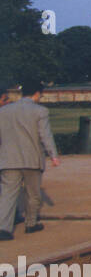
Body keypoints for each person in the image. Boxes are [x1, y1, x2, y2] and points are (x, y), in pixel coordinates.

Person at [0, 80, 61, 241]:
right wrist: (53, 155)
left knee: (7, 194)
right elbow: (45, 135)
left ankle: (3, 228)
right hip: (32, 159)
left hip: (8, 160)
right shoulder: (40, 111)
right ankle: (31, 223)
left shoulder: (4, 111)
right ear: (37, 94)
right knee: (33, 194)